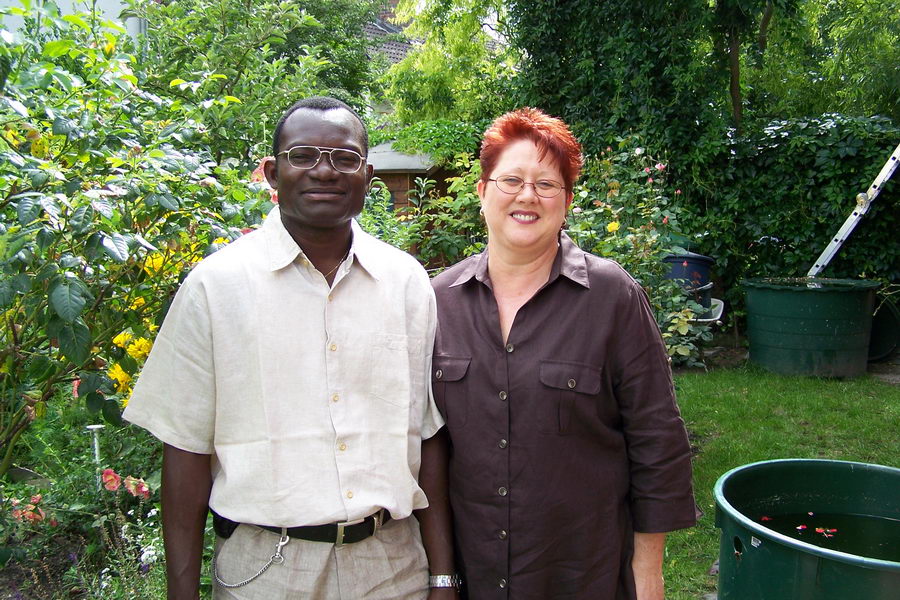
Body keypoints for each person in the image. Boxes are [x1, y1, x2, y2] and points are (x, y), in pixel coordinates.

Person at [124, 96, 458, 599]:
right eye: (303, 155)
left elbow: (428, 436)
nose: (324, 171)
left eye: (344, 159)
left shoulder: (406, 282)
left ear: (367, 178)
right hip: (267, 570)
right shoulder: (216, 287)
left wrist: (441, 576)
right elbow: (185, 450)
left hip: (393, 566)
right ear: (271, 173)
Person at [429, 108, 697, 599]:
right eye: (511, 179)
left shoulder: (612, 297)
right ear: (483, 191)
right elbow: (427, 447)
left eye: (546, 184)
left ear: (567, 200)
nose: (527, 195)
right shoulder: (439, 301)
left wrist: (648, 573)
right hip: (475, 573)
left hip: (582, 573)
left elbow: (657, 439)